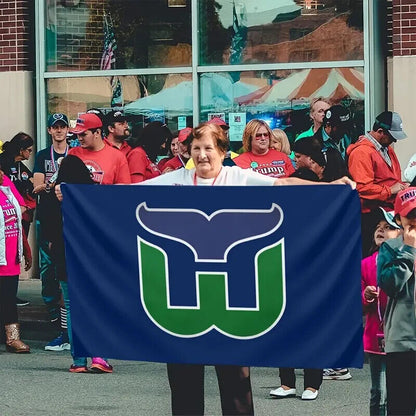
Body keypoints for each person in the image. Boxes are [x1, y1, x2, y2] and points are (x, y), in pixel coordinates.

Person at [140, 122, 355, 415]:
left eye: (209, 148)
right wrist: (73, 195)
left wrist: (328, 187)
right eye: (196, 148)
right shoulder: (175, 179)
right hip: (184, 303)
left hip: (230, 302)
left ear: (222, 151)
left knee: (236, 384)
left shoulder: (236, 176)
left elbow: (282, 185)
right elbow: (121, 196)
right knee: (184, 383)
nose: (202, 155)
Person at [377, 187, 416, 416]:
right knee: (400, 406)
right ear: (398, 217)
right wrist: (409, 250)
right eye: (409, 214)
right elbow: (390, 285)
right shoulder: (391, 248)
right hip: (402, 339)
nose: (414, 219)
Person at [347, 111, 408, 256]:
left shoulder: (387, 149)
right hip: (370, 215)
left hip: (387, 212)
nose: (395, 140)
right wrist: (390, 190)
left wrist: (400, 187)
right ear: (380, 132)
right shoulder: (361, 152)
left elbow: (393, 178)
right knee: (372, 256)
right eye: (392, 136)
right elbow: (362, 188)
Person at [33, 113, 69, 340]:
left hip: (66, 218)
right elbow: (37, 186)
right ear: (49, 131)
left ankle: (66, 322)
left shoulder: (74, 154)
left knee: (65, 268)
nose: (58, 131)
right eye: (55, 127)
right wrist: (52, 185)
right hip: (46, 217)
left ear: (67, 130)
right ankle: (53, 314)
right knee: (47, 269)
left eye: (62, 127)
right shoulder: (42, 155)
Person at [362, 208, 401, 415]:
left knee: (401, 392)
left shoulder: (406, 261)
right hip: (375, 339)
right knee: (379, 392)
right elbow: (355, 303)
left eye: (388, 227)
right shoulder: (365, 264)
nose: (380, 230)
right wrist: (365, 296)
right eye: (378, 227)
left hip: (402, 339)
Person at [0, 167, 31, 353]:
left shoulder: (7, 189)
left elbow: (18, 220)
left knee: (9, 298)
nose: (2, 174)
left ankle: (13, 339)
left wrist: (26, 250)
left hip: (10, 256)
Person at [68, 113, 131, 185]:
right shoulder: (72, 153)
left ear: (97, 132)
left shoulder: (117, 157)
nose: (80, 138)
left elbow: (124, 189)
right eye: (77, 134)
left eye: (83, 134)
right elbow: (63, 183)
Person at [0, 132, 35, 237]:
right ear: (21, 150)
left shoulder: (20, 165)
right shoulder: (2, 161)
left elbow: (31, 181)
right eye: (29, 150)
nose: (31, 152)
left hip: (22, 213)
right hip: (5, 213)